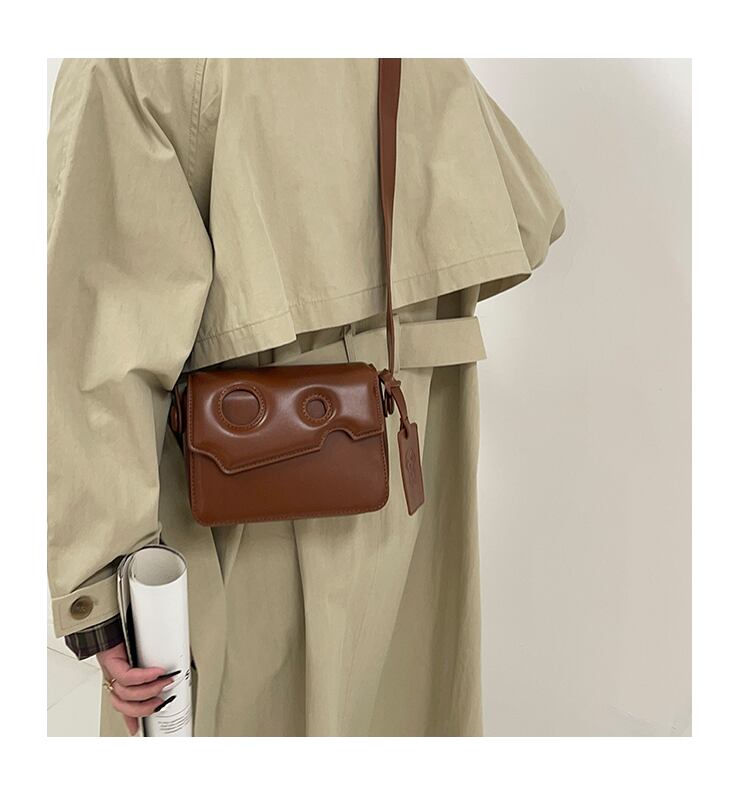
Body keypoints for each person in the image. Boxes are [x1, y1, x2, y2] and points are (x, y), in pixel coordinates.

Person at [47, 58, 565, 736]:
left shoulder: (133, 53)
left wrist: (98, 589)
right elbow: (528, 219)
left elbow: (102, 338)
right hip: (413, 476)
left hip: (245, 501)